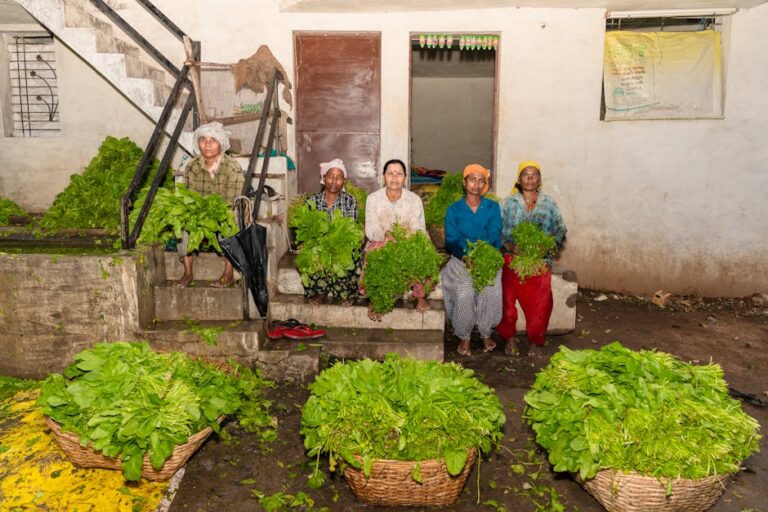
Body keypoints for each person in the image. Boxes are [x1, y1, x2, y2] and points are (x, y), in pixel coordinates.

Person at [496, 161, 567, 356]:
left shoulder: (549, 203)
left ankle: (536, 340)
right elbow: (496, 231)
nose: (529, 178)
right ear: (518, 180)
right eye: (525, 174)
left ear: (539, 180)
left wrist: (548, 246)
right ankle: (509, 338)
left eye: (534, 174)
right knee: (507, 300)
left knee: (542, 300)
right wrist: (510, 246)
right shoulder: (507, 203)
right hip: (512, 258)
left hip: (540, 260)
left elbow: (560, 230)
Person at [441, 164, 503, 356]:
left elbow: (495, 235)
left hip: (486, 260)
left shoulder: (492, 207)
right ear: (464, 182)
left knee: (490, 291)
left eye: (481, 180)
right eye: (472, 179)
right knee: (464, 290)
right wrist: (465, 255)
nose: (476, 184)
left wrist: (481, 256)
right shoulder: (454, 209)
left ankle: (486, 333)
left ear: (485, 184)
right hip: (461, 261)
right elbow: (451, 239)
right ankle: (464, 336)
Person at [177, 121, 244, 288]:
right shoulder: (192, 166)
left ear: (221, 144)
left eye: (213, 140)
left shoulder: (232, 167)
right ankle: (187, 272)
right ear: (197, 143)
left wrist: (213, 214)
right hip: (200, 211)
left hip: (224, 209)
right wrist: (197, 212)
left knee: (230, 219)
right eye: (203, 140)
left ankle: (228, 272)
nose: (207, 144)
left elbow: (231, 199)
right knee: (181, 221)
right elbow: (189, 195)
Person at [363, 158, 429, 321]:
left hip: (407, 240)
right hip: (381, 240)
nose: (394, 177)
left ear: (405, 177)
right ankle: (376, 299)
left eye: (399, 173)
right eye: (390, 173)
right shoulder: (373, 199)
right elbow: (371, 228)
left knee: (421, 252)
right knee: (374, 253)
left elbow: (418, 227)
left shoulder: (414, 200)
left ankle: (420, 295)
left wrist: (403, 239)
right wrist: (384, 236)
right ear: (384, 176)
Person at [303, 158, 361, 305]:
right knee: (313, 256)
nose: (334, 180)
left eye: (339, 177)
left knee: (346, 259)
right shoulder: (312, 201)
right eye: (331, 176)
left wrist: (334, 243)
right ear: (323, 178)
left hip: (341, 247)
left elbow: (351, 228)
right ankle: (320, 292)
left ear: (344, 181)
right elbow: (307, 229)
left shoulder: (349, 201)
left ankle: (344, 293)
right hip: (319, 246)